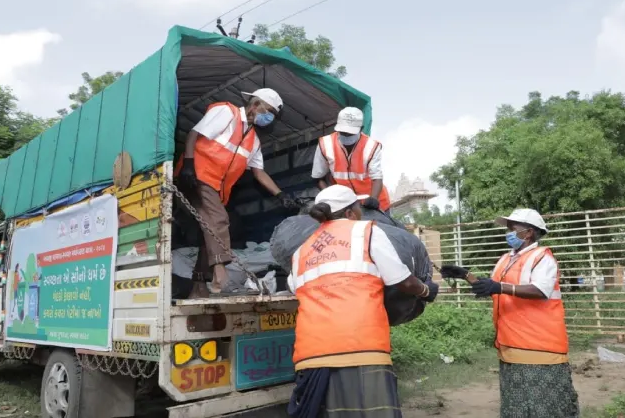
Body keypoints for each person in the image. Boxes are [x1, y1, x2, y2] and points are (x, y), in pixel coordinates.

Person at [287, 185, 439, 418]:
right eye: (359, 208)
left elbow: (294, 286)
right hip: (360, 347)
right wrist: (426, 290)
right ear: (349, 213)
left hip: (311, 354)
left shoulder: (301, 251)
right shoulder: (365, 232)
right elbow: (402, 281)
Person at [440, 209, 579, 418]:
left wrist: (499, 287)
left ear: (529, 232)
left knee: (545, 408)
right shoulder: (506, 259)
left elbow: (540, 290)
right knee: (517, 407)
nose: (508, 232)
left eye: (512, 228)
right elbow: (493, 287)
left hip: (539, 346)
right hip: (511, 345)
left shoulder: (542, 258)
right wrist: (465, 275)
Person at [177, 88, 298, 296]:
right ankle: (220, 269)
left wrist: (281, 195)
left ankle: (198, 287)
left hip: (216, 188)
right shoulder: (227, 112)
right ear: (255, 104)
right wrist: (188, 163)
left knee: (211, 230)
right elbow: (195, 133)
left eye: (273, 116)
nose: (269, 118)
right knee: (219, 220)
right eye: (268, 111)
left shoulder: (254, 141)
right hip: (196, 176)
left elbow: (259, 173)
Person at [311, 107, 391, 213]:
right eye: (343, 132)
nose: (346, 136)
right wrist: (330, 198)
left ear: (361, 128)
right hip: (346, 205)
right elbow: (318, 177)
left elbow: (377, 178)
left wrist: (373, 199)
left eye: (350, 133)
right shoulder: (325, 145)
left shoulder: (371, 146)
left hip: (374, 203)